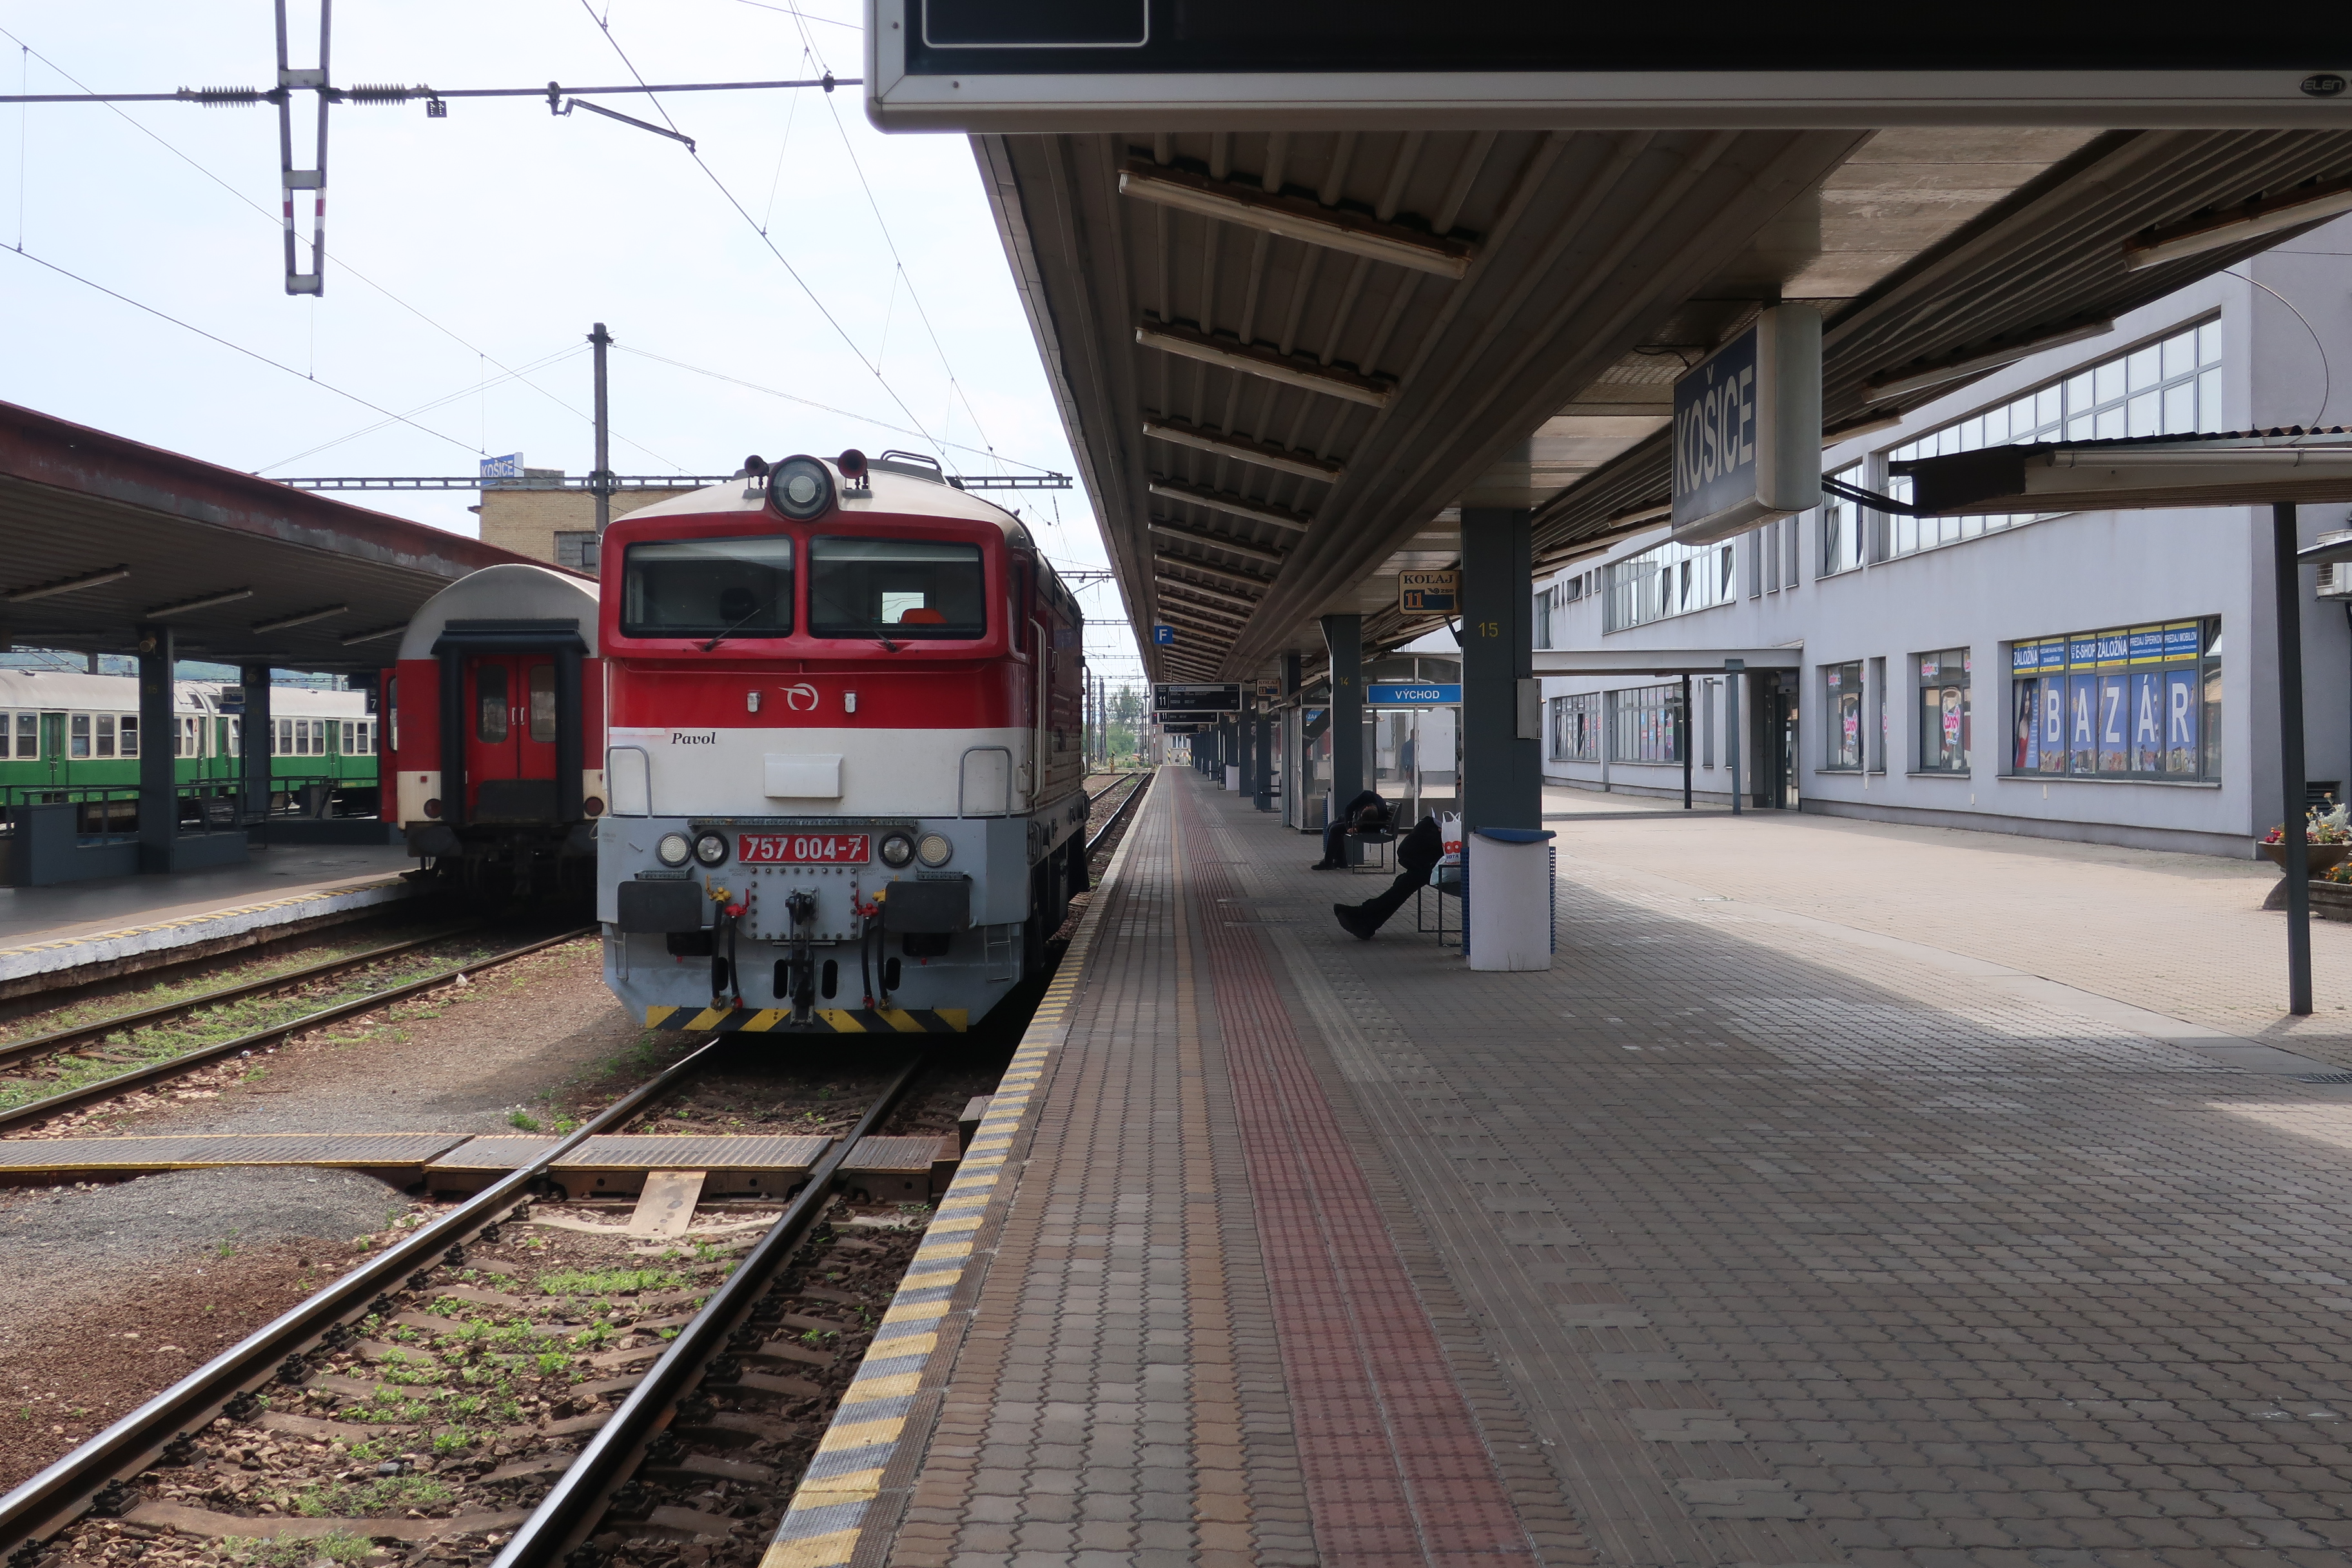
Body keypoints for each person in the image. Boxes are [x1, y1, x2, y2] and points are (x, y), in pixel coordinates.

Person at [1333, 812, 1444, 939]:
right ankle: (1367, 924)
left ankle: (1365, 915)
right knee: (1408, 879)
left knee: (1412, 878)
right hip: (1445, 862)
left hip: (1458, 869)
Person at [1311, 789, 1389, 869]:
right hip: (1356, 820)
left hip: (1370, 827)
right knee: (1330, 827)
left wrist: (1358, 827)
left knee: (1334, 829)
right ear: (1366, 807)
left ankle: (1328, 862)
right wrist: (1350, 827)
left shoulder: (1380, 811)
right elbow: (1349, 808)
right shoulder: (1367, 795)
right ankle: (1341, 861)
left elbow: (1377, 826)